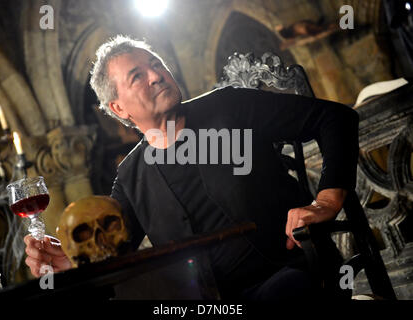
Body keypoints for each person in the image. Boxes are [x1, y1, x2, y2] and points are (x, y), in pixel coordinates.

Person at [24, 35, 359, 300]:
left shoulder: (229, 107)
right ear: (118, 107)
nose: (157, 76)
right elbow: (113, 253)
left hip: (290, 273)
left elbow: (335, 118)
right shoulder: (129, 177)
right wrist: (70, 262)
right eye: (137, 76)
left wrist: (325, 202)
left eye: (157, 65)